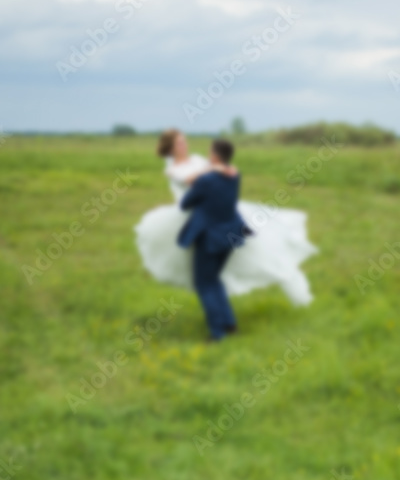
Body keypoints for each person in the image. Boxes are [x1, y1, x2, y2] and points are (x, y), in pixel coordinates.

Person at [134, 129, 318, 318]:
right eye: (179, 143)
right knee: (205, 273)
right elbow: (194, 180)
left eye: (184, 141)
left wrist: (223, 169)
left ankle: (224, 319)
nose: (184, 145)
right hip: (195, 218)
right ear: (171, 148)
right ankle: (223, 318)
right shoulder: (172, 169)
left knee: (257, 252)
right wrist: (215, 169)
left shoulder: (197, 159)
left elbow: (220, 171)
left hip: (218, 214)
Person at [177, 139, 249, 341]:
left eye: (210, 152)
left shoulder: (207, 180)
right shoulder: (235, 175)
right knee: (214, 279)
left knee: (204, 283)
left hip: (211, 237)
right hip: (231, 232)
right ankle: (229, 323)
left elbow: (185, 203)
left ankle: (217, 333)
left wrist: (205, 172)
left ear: (215, 156)